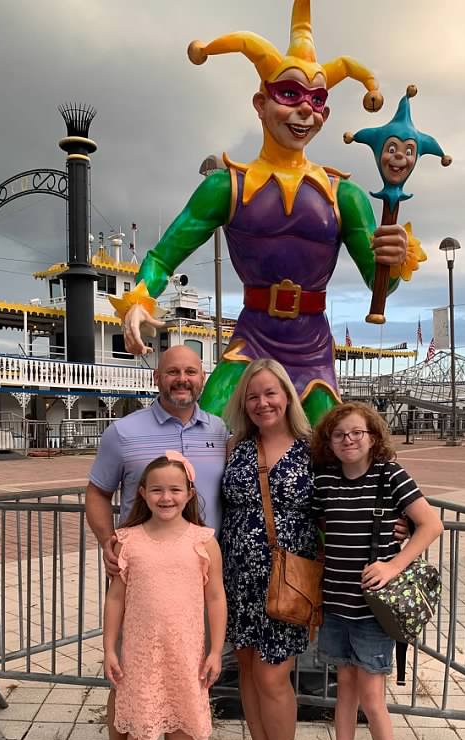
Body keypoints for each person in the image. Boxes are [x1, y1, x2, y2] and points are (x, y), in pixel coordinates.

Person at [111, 0, 418, 425]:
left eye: (317, 99)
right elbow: (163, 257)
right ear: (261, 102)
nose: (305, 110)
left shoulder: (343, 195)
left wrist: (394, 259)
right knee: (208, 432)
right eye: (290, 94)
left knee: (332, 444)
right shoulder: (226, 187)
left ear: (325, 113)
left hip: (312, 349)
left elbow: (379, 282)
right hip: (251, 340)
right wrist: (140, 300)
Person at [86, 345, 229, 740]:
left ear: (202, 378)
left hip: (195, 572)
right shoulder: (124, 432)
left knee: (187, 673)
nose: (181, 379)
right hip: (140, 569)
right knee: (130, 677)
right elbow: (97, 492)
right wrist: (109, 542)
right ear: (157, 378)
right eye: (172, 372)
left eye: (191, 371)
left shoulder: (219, 431)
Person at [311, 402, 443, 740]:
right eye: (339, 435)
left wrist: (394, 564)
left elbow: (430, 524)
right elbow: (314, 523)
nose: (348, 440)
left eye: (357, 433)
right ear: (329, 442)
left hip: (372, 609)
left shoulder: (390, 476)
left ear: (372, 437)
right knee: (345, 693)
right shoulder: (326, 480)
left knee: (371, 697)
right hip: (336, 604)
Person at [103, 453, 226, 740]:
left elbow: (216, 598)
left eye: (175, 489)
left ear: (189, 493)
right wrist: (109, 648)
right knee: (142, 728)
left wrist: (215, 650)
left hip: (187, 654)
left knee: (184, 726)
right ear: (142, 493)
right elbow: (116, 599)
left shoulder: (203, 541)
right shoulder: (128, 540)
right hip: (140, 654)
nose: (166, 497)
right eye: (157, 489)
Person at [221, 358, 316, 740]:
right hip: (237, 576)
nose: (262, 403)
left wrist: (396, 524)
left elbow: (351, 491)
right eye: (253, 396)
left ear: (287, 397)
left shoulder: (313, 449)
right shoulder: (235, 448)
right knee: (246, 669)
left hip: (287, 580)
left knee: (272, 675)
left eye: (270, 393)